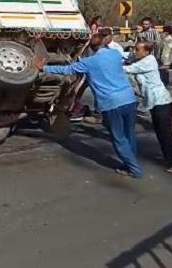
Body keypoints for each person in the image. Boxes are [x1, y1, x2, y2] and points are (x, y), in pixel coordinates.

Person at [33, 31, 142, 178]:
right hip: (129, 99)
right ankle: (130, 162)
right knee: (129, 134)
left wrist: (44, 68)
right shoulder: (115, 54)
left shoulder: (88, 62)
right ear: (105, 42)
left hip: (111, 103)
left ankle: (134, 169)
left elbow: (67, 70)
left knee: (119, 137)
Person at [123, 42, 172, 173]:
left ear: (146, 51)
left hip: (161, 101)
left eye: (137, 50)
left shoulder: (149, 61)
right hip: (154, 102)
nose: (134, 52)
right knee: (160, 133)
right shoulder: (141, 59)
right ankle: (171, 159)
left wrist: (111, 64)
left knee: (165, 135)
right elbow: (125, 55)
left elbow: (129, 69)